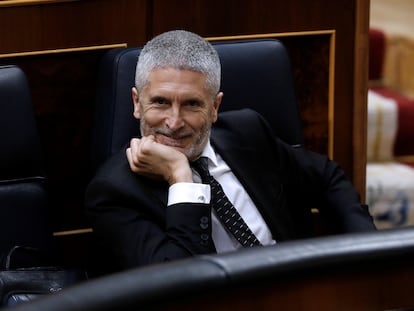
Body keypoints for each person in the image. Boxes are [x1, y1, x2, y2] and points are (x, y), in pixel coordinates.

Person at [85, 30, 376, 273]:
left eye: (192, 104)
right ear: (137, 102)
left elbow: (327, 177)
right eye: (160, 102)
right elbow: (182, 286)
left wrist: (370, 251)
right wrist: (182, 180)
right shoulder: (114, 192)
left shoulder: (247, 132)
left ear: (215, 108)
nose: (173, 122)